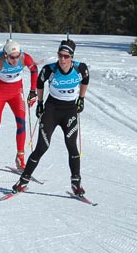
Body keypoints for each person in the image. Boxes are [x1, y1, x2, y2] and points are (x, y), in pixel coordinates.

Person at [13, 39, 90, 196]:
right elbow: (40, 83)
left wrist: (81, 99)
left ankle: (76, 183)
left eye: (66, 56)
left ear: (72, 57)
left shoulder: (80, 68)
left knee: (72, 146)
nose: (62, 59)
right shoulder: (50, 69)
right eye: (60, 55)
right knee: (42, 147)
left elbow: (86, 81)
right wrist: (40, 103)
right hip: (52, 110)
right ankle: (23, 181)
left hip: (70, 111)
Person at [0, 39, 38, 170]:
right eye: (12, 57)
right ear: (6, 55)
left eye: (17, 56)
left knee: (21, 123)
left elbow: (34, 70)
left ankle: (20, 157)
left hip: (16, 92)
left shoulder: (24, 58)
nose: (15, 60)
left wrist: (33, 92)